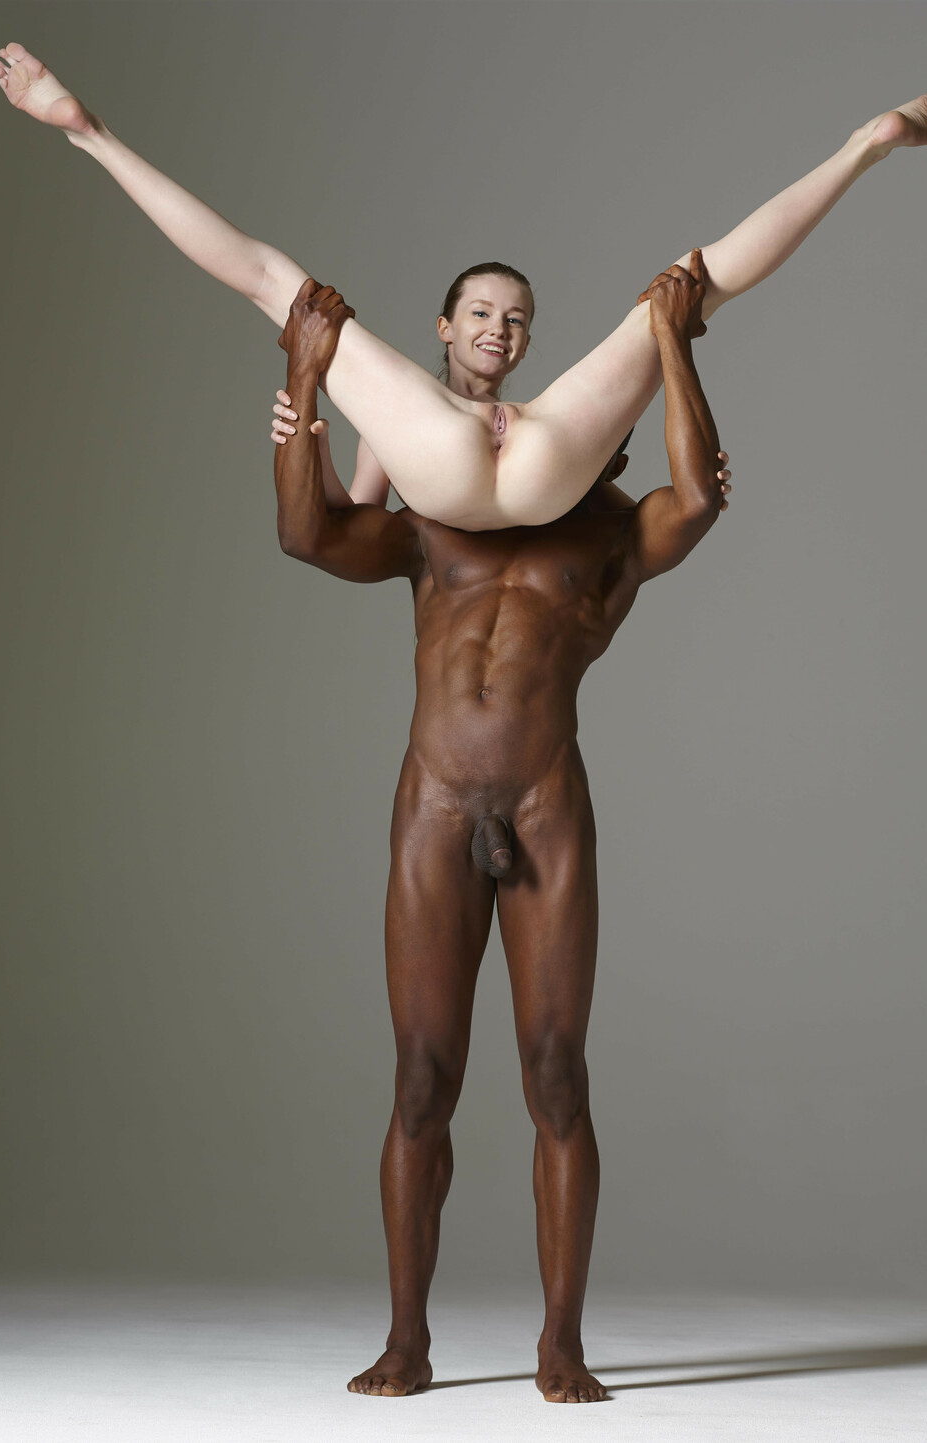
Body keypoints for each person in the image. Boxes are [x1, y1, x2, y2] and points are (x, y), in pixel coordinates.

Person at [267, 251, 727, 1403]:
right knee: (423, 1080)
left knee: (557, 1077)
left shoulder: (611, 536)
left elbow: (700, 499)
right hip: (434, 805)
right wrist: (305, 385)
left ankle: (561, 1342)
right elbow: (309, 536)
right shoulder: (437, 521)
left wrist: (673, 341)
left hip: (544, 808)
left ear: (607, 445)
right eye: (484, 317)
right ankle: (406, 1340)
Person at [0, 42, 927, 528]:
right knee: (691, 287)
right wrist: (308, 440)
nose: (501, 328)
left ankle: (865, 145)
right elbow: (351, 519)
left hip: (539, 457)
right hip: (497, 468)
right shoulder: (405, 414)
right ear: (445, 328)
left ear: (529, 343)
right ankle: (89, 133)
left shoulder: (471, 414)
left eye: (517, 320)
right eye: (483, 313)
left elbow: (643, 515)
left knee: (682, 290)